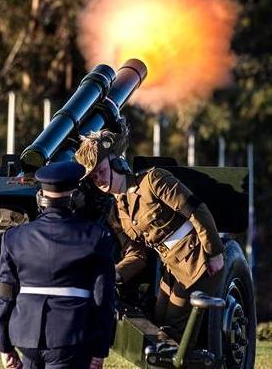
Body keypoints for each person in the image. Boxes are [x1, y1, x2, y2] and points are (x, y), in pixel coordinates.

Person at [75, 130, 225, 341]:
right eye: (93, 176)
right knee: (157, 320)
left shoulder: (152, 180)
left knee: (171, 330)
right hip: (172, 268)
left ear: (115, 163)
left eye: (100, 170)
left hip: (197, 260)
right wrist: (113, 274)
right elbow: (137, 255)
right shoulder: (116, 212)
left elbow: (196, 210)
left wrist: (214, 253)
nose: (98, 179)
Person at [0, 161, 115, 369]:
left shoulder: (13, 237)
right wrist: (99, 349)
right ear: (76, 198)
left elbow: (5, 295)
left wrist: (4, 346)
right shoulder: (97, 236)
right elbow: (103, 297)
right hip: (71, 337)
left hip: (25, 336)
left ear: (40, 198)